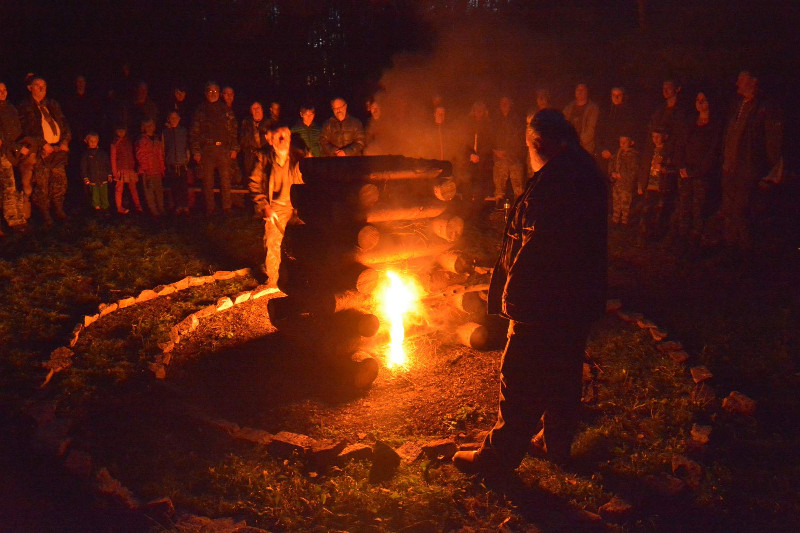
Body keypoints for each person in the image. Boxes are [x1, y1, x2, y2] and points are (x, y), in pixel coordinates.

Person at [452, 109, 607, 476]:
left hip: (543, 300)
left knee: (519, 377)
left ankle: (497, 458)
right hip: (577, 297)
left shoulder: (554, 184)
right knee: (564, 369)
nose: (527, 155)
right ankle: (556, 443)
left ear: (540, 143)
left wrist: (515, 300)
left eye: (527, 147)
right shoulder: (582, 170)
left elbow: (536, 248)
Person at [249, 125, 303, 288]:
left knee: (305, 241)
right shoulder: (264, 158)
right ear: (270, 140)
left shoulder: (300, 155)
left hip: (299, 206)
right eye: (278, 136)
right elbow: (254, 183)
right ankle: (273, 281)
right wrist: (265, 206)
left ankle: (305, 277)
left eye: (285, 135)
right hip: (276, 208)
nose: (282, 139)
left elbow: (313, 179)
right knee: (273, 242)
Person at [18, 75, 72, 226]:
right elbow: (27, 129)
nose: (42, 88)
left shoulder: (52, 104)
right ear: (30, 88)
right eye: (37, 85)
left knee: (59, 181)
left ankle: (59, 210)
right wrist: (42, 144)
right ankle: (45, 214)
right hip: (41, 151)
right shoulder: (25, 106)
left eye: (44, 85)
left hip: (57, 150)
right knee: (42, 184)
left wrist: (65, 141)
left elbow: (64, 123)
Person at [672, 91, 721, 245]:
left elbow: (713, 153)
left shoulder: (715, 126)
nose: (700, 103)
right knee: (684, 204)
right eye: (697, 99)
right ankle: (682, 237)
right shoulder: (690, 122)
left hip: (701, 174)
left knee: (698, 207)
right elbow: (680, 145)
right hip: (685, 172)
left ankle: (695, 237)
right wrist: (681, 166)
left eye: (703, 100)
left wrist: (695, 172)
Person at [190, 82, 239, 214]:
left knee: (225, 180)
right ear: (206, 93)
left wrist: (234, 148)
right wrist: (196, 151)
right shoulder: (200, 110)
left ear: (219, 93)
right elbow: (194, 132)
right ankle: (210, 208)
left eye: (215, 91)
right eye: (210, 91)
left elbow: (233, 130)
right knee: (208, 181)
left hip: (223, 150)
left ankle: (227, 207)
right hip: (207, 150)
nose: (213, 94)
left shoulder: (225, 109)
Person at [638, 127, 676, 245]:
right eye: (653, 136)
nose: (655, 139)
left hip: (661, 186)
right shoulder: (649, 151)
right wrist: (640, 184)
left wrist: (665, 169)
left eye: (658, 136)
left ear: (664, 137)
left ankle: (655, 236)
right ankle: (643, 237)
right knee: (646, 211)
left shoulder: (668, 152)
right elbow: (643, 168)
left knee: (659, 212)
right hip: (649, 186)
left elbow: (675, 168)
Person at [0, 82, 29, 233]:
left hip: (16, 153)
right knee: (9, 186)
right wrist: (16, 147)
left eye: (4, 89)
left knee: (18, 184)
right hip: (4, 153)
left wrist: (23, 145)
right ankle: (13, 220)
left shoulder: (11, 108)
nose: (2, 92)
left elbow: (18, 129)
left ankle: (20, 217)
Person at [492, 96, 526, 202]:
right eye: (502, 102)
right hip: (499, 158)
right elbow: (489, 138)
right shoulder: (495, 120)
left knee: (518, 189)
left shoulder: (517, 120)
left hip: (514, 158)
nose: (504, 104)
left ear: (511, 104)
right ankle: (499, 206)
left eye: (506, 102)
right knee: (499, 189)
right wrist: (495, 151)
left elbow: (520, 139)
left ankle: (519, 208)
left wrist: (510, 152)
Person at [596, 87, 635, 174]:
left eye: (619, 95)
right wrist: (601, 149)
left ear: (623, 96)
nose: (616, 98)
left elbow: (625, 135)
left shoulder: (628, 114)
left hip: (617, 154)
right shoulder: (606, 111)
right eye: (613, 95)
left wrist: (612, 150)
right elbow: (598, 131)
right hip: (602, 153)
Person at [135, 119, 165, 217]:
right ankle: (154, 213)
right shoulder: (142, 140)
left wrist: (162, 169)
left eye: (151, 125)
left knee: (159, 191)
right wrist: (146, 170)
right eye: (147, 126)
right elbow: (140, 156)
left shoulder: (156, 139)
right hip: (147, 171)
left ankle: (161, 210)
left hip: (157, 170)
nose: (149, 128)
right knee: (149, 193)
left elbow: (160, 155)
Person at [110, 124, 142, 214]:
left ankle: (138, 205)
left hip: (130, 168)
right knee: (119, 188)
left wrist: (135, 166)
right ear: (115, 131)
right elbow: (113, 158)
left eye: (123, 130)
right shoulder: (114, 143)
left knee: (133, 188)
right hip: (120, 169)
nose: (121, 132)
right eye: (119, 130)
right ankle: (119, 207)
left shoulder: (129, 141)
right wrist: (114, 172)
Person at [163, 111, 190, 215]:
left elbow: (187, 146)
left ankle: (185, 206)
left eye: (175, 117)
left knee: (184, 186)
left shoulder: (183, 131)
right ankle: (178, 206)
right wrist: (166, 161)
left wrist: (187, 159)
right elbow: (163, 148)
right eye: (171, 118)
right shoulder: (165, 132)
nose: (174, 120)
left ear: (179, 119)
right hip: (172, 164)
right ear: (168, 119)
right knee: (175, 187)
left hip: (182, 163)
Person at [609, 133, 639, 225]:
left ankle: (624, 221)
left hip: (626, 185)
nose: (622, 144)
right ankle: (615, 219)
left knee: (625, 203)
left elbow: (633, 171)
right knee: (616, 202)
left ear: (631, 143)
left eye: (624, 142)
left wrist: (622, 175)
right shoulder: (618, 153)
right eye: (620, 142)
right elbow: (612, 163)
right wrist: (612, 173)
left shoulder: (633, 156)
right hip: (617, 183)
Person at [562, 83, 599, 155]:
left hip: (585, 149)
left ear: (587, 92)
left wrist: (578, 142)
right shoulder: (568, 108)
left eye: (582, 90)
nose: (580, 92)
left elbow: (591, 129)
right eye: (578, 89)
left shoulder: (593, 109)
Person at [80, 132, 112, 212]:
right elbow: (83, 167)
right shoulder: (86, 154)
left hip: (103, 177)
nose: (93, 143)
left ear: (98, 141)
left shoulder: (102, 153)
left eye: (95, 141)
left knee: (104, 193)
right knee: (95, 193)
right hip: (92, 178)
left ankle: (105, 206)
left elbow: (107, 164)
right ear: (86, 141)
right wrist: (85, 177)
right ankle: (96, 207)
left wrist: (109, 174)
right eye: (91, 141)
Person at [240, 102, 271, 177]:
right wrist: (250, 150)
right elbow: (242, 140)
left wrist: (264, 151)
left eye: (258, 108)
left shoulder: (270, 123)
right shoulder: (246, 124)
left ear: (262, 110)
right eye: (254, 108)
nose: (256, 110)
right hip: (251, 159)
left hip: (266, 157)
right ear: (251, 111)